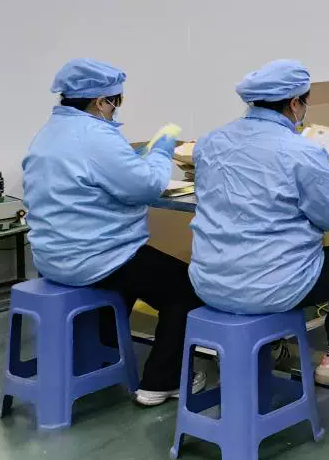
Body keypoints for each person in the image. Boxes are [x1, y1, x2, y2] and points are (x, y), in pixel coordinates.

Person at [189, 60, 329, 387]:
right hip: (270, 287)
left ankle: (269, 344)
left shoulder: (210, 142)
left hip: (209, 282)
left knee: (270, 255)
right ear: (294, 104)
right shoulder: (300, 151)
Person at [22, 59, 203, 406]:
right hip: (95, 257)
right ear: (101, 101)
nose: (115, 108)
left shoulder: (49, 132)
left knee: (132, 278)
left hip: (51, 257)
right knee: (187, 288)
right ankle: (162, 382)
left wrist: (134, 159)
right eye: (115, 101)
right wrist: (161, 152)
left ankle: (104, 357)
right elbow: (147, 186)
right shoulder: (96, 136)